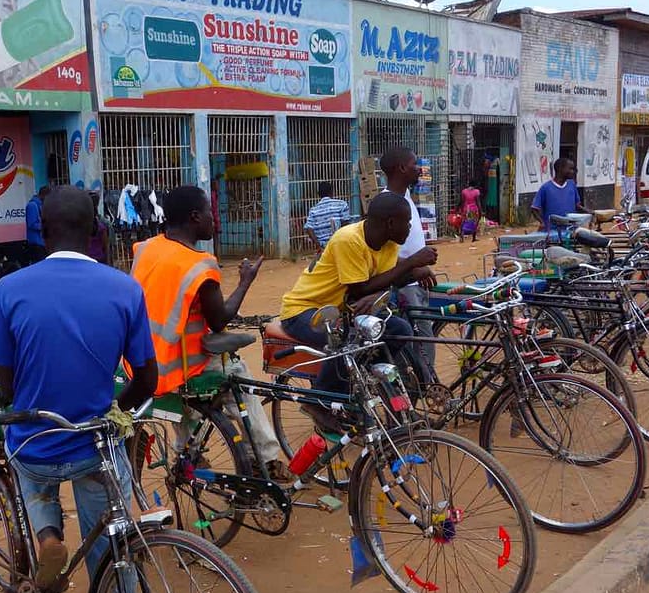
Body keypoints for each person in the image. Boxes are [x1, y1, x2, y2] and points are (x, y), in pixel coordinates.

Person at [0, 185, 158, 593]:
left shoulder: (9, 290)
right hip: (94, 443)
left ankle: (47, 534)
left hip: (35, 441)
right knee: (113, 542)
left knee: (32, 474)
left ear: (41, 231)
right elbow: (147, 381)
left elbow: (9, 385)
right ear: (97, 231)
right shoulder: (124, 289)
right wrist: (111, 412)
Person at [130, 185, 289, 479]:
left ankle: (188, 452)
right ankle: (265, 461)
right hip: (181, 364)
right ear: (194, 217)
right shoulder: (199, 265)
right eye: (209, 213)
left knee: (189, 401)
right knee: (239, 376)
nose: (214, 218)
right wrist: (245, 281)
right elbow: (219, 320)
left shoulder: (147, 248)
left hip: (144, 360)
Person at [280, 192, 436, 432]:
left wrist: (414, 272)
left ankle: (385, 394)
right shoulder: (349, 240)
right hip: (306, 310)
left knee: (398, 329)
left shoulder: (389, 243)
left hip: (341, 310)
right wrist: (412, 263)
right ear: (390, 223)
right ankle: (318, 402)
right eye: (407, 222)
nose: (410, 227)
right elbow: (360, 289)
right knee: (347, 340)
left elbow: (381, 282)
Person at [381, 147, 437, 373]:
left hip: (415, 282)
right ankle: (424, 388)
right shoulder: (387, 204)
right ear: (402, 168)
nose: (419, 169)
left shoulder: (405, 197)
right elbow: (383, 254)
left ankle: (424, 385)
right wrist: (415, 267)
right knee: (421, 342)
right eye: (415, 164)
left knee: (424, 338)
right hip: (404, 285)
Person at [532, 158, 587, 232]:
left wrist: (590, 212)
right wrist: (542, 222)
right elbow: (534, 209)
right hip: (551, 231)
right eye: (570, 169)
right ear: (560, 169)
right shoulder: (546, 188)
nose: (573, 172)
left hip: (570, 229)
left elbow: (577, 206)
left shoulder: (572, 185)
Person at [305, 182, 351, 252]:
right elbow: (345, 223)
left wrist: (318, 245)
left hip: (324, 247)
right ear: (332, 192)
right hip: (340, 244)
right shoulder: (342, 204)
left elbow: (308, 228)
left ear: (318, 194)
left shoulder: (313, 210)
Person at [24, 186, 49, 264]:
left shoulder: (40, 205)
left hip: (42, 243)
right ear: (44, 195)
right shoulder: (32, 205)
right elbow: (32, 224)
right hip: (36, 243)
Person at [86, 190, 110, 265]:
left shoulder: (81, 226)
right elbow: (106, 247)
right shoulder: (102, 224)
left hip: (87, 261)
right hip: (100, 261)